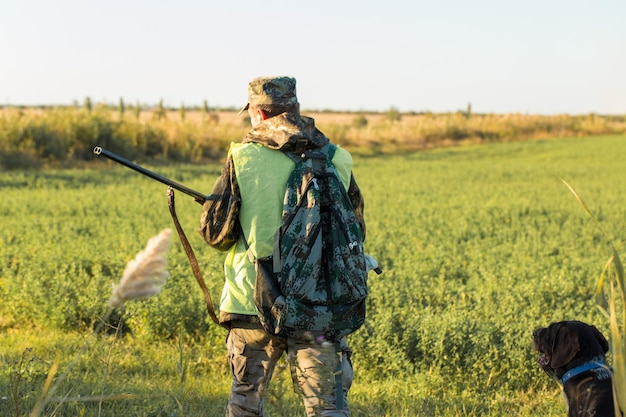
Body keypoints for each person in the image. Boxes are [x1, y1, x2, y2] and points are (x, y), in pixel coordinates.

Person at [199, 76, 366, 417]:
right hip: (319, 307)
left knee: (246, 402)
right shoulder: (338, 158)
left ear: (258, 114)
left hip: (253, 304)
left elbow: (215, 234)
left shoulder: (242, 158)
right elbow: (356, 230)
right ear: (294, 110)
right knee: (328, 408)